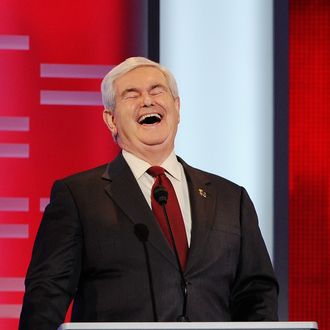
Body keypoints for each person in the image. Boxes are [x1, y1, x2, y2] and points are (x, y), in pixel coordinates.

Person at [19, 57, 278, 329]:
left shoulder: (230, 198)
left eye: (157, 91)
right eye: (132, 95)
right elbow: (46, 298)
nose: (147, 101)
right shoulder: (79, 196)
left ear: (177, 108)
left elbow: (257, 295)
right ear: (111, 119)